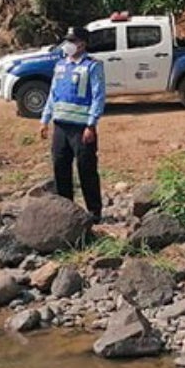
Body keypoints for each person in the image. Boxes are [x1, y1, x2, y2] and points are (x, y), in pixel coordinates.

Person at [39, 27, 106, 222]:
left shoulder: (92, 66)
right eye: (67, 40)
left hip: (81, 127)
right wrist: (45, 119)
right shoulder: (60, 65)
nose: (68, 44)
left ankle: (94, 212)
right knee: (60, 166)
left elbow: (98, 96)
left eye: (73, 40)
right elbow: (53, 94)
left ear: (82, 43)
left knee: (86, 168)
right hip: (60, 126)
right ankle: (65, 209)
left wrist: (91, 125)